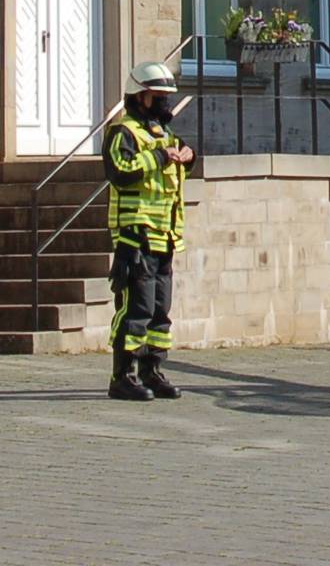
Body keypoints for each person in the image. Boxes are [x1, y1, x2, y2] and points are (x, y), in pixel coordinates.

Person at [105, 61, 196, 403]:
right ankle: (122, 375)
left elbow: (178, 168)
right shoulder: (123, 132)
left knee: (160, 310)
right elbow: (121, 171)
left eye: (166, 97)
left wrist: (188, 157)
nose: (164, 104)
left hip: (166, 236)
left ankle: (152, 370)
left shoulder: (164, 134)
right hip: (135, 234)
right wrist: (159, 157)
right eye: (158, 97)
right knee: (135, 308)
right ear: (140, 96)